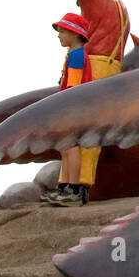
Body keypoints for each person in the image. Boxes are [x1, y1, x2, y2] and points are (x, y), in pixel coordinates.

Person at [63, 0, 130, 193]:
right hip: (110, 69)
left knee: (74, 126)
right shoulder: (120, 7)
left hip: (92, 66)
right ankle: (80, 184)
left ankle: (73, 186)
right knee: (91, 127)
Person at [42, 12, 93, 206]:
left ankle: (74, 190)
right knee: (65, 148)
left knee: (71, 148)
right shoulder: (73, 55)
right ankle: (64, 187)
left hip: (73, 108)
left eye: (62, 31)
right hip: (72, 108)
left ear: (74, 33)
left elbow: (73, 87)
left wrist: (63, 109)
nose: (59, 35)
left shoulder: (77, 56)